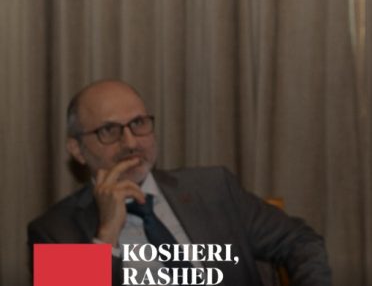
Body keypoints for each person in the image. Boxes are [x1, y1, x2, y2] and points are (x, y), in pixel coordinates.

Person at [27, 79, 332, 286]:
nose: (131, 142)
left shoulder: (213, 188)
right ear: (77, 150)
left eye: (138, 123)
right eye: (109, 130)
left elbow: (300, 242)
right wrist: (106, 237)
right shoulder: (54, 233)